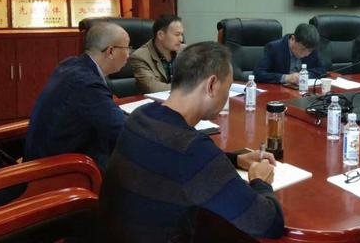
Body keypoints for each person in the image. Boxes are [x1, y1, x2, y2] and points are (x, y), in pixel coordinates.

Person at [99, 42, 284, 242]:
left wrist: (236, 159)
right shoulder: (192, 150)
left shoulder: (141, 115)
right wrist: (260, 181)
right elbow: (268, 224)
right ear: (212, 85)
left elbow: (173, 161)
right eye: (228, 88)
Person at [25, 22, 128, 171]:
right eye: (127, 48)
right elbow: (121, 130)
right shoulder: (87, 84)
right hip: (60, 171)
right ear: (110, 51)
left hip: (43, 156)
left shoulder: (70, 64)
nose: (129, 55)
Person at [129, 14, 185, 93]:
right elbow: (151, 87)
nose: (181, 39)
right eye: (177, 35)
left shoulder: (184, 50)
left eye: (181, 34)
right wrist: (186, 87)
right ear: (160, 35)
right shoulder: (140, 56)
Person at [253, 23, 326, 84]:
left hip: (303, 90)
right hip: (279, 92)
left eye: (309, 51)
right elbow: (258, 74)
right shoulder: (274, 48)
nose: (307, 54)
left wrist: (304, 75)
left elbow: (322, 70)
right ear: (293, 39)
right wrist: (286, 78)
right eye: (303, 49)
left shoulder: (311, 47)